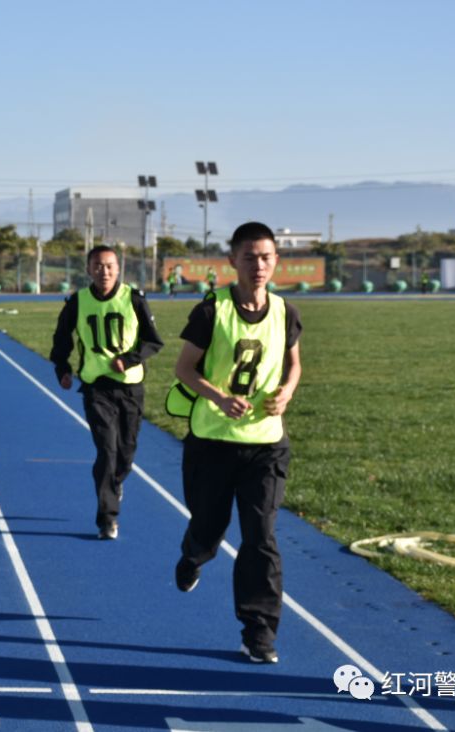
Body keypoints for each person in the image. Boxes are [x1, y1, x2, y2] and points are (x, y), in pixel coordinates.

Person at [170, 221, 302, 665]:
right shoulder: (212, 311)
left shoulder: (286, 312)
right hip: (212, 442)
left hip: (265, 445)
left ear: (276, 261)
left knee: (261, 537)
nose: (259, 265)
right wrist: (220, 398)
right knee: (208, 527)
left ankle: (259, 632)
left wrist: (287, 392)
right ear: (232, 261)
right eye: (249, 257)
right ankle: (193, 555)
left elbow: (294, 365)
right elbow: (184, 369)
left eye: (266, 257)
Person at [50, 245, 163, 539]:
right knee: (107, 450)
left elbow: (154, 342)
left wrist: (128, 359)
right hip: (96, 387)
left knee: (125, 453)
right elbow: (62, 338)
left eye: (110, 266)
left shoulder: (134, 299)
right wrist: (62, 368)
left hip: (130, 387)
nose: (104, 272)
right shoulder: (78, 301)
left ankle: (116, 481)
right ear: (88, 269)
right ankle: (107, 518)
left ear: (118, 268)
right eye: (98, 266)